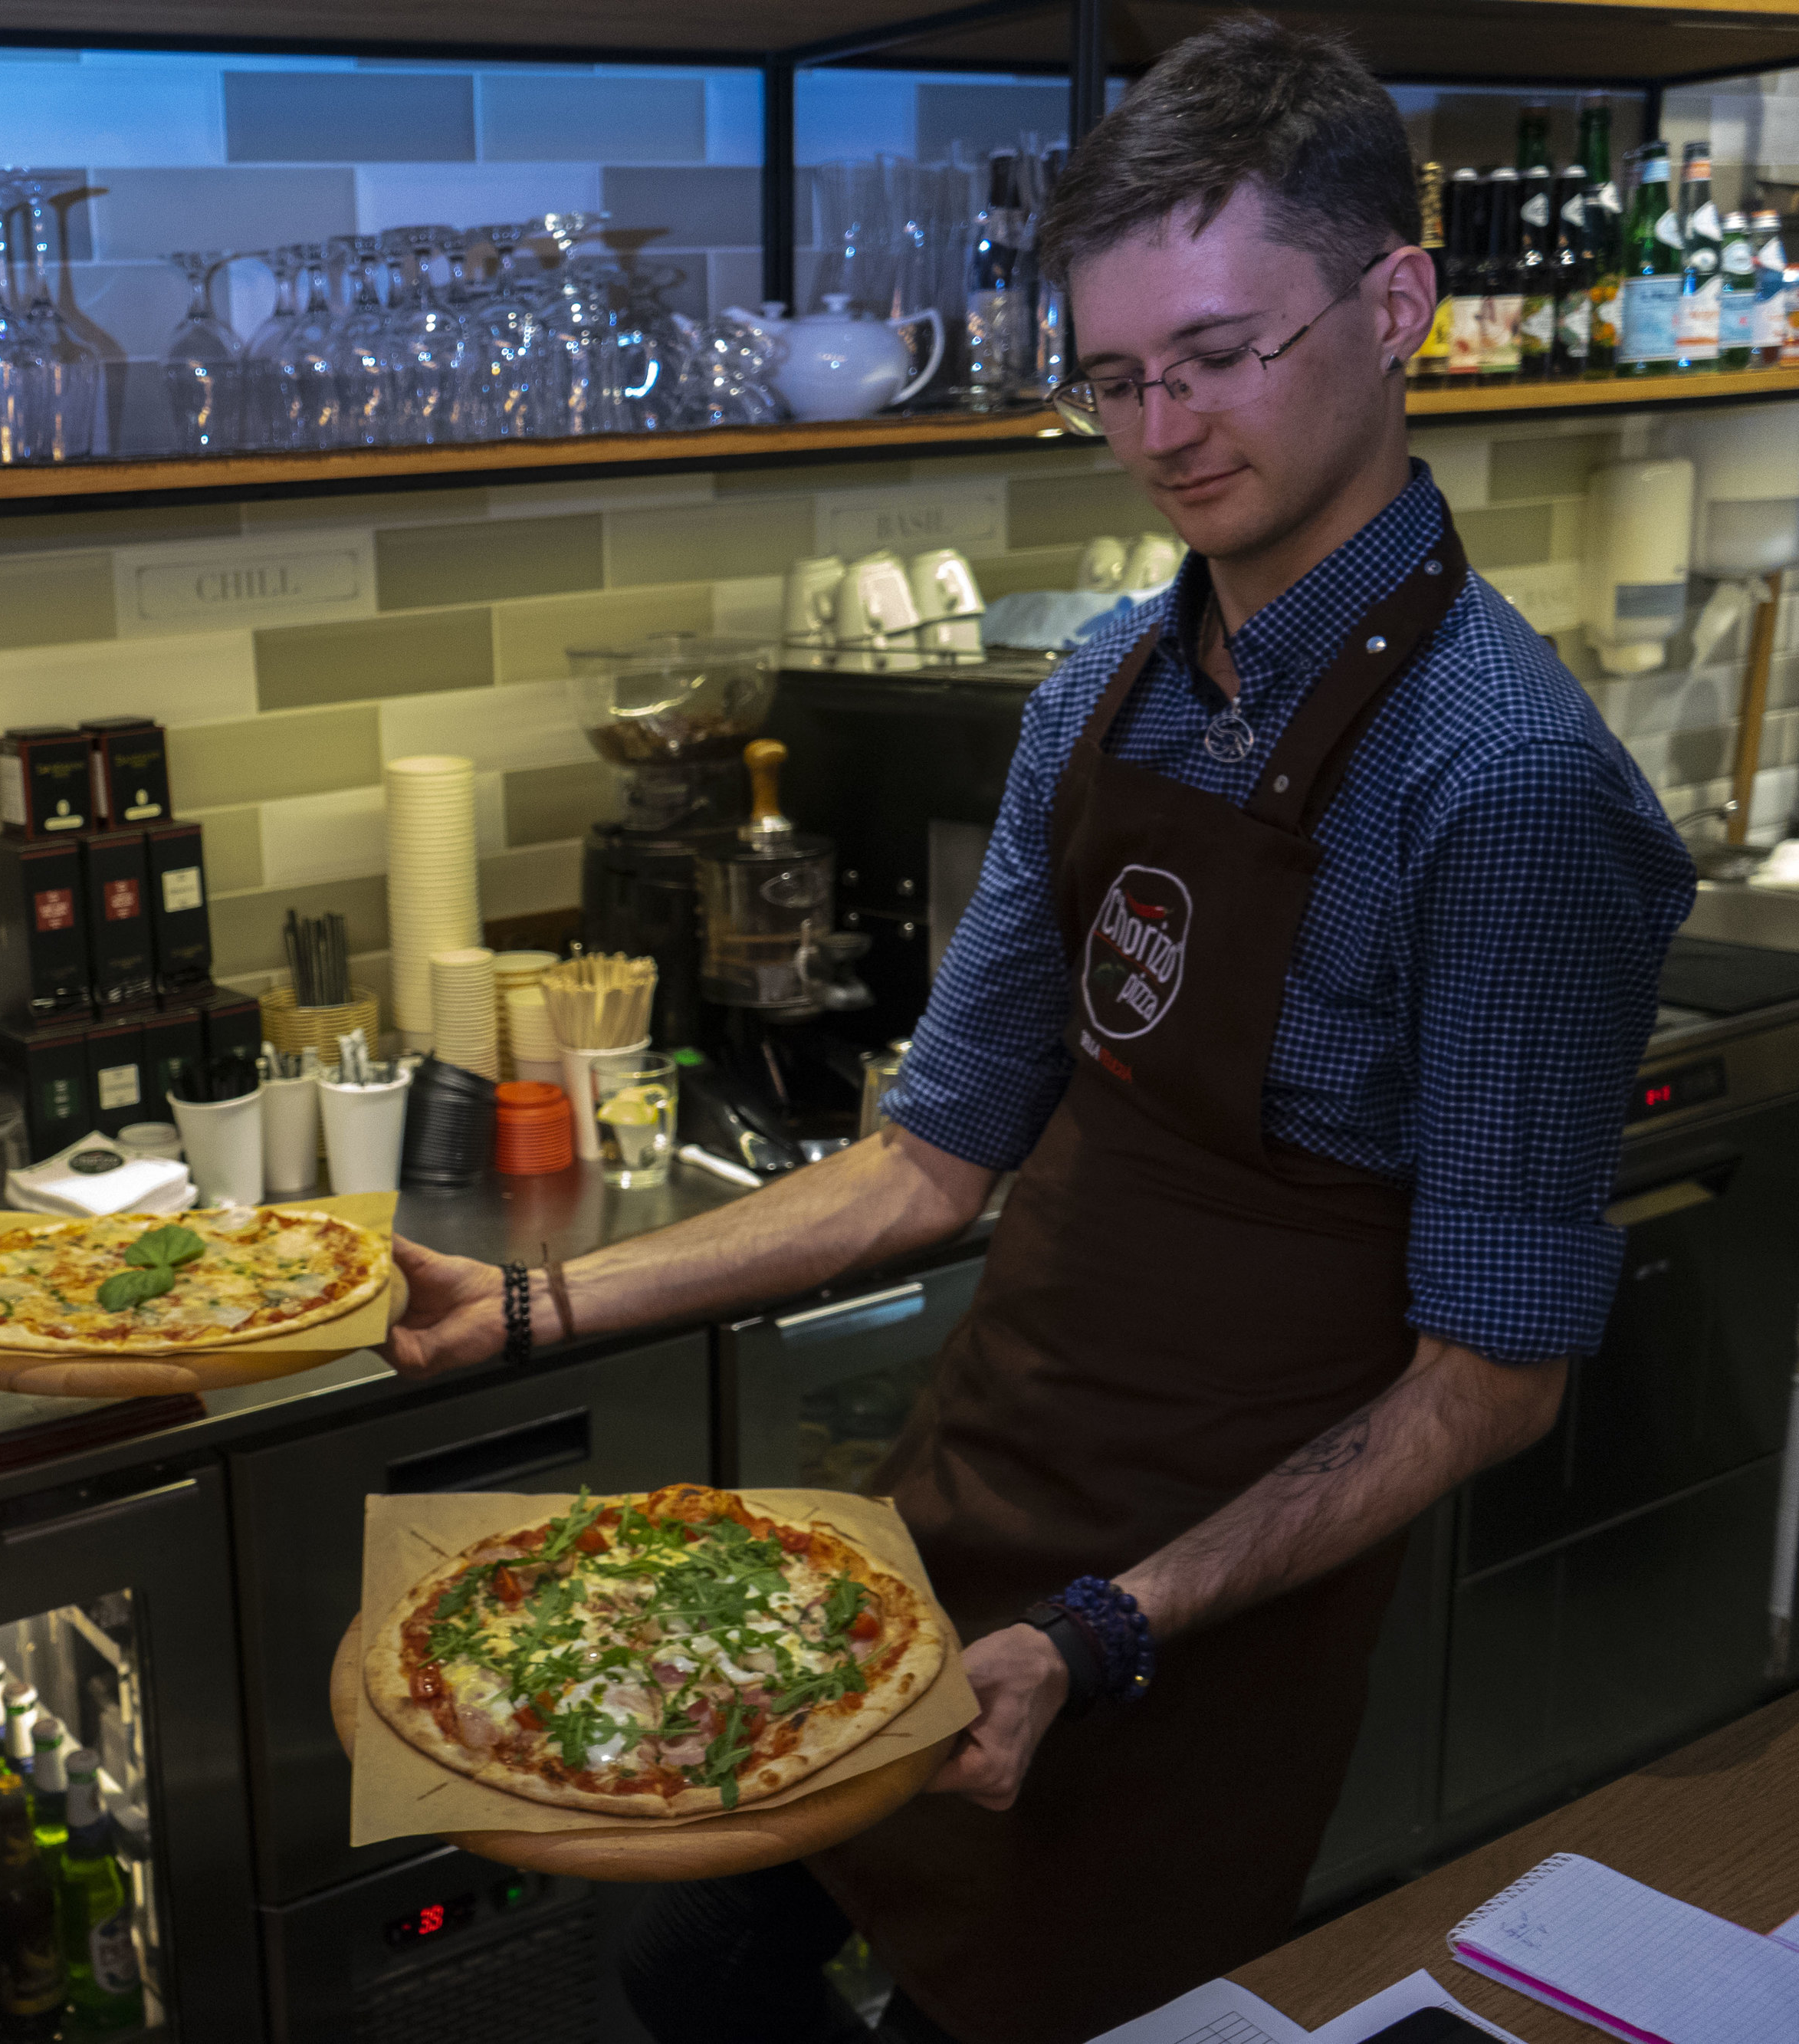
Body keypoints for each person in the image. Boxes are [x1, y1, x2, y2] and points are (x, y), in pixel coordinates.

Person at [386, 19, 1696, 2043]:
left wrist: (1109, 1625)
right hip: (961, 1517)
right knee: (677, 1963)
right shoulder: (1109, 681)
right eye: (1112, 374)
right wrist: (535, 1312)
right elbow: (933, 1156)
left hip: (1195, 1628)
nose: (1162, 425)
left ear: (1397, 302)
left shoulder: (1507, 787)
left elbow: (1490, 1381)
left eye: (1219, 353)